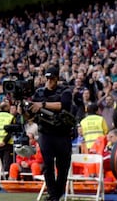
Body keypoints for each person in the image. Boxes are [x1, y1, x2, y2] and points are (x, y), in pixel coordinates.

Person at [31, 66, 74, 201]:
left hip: (62, 133)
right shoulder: (39, 92)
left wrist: (42, 105)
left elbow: (64, 104)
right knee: (47, 165)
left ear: (57, 78)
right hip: (46, 133)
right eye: (47, 78)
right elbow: (32, 108)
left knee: (63, 167)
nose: (49, 81)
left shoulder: (65, 91)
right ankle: (53, 195)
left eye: (52, 78)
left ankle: (57, 194)